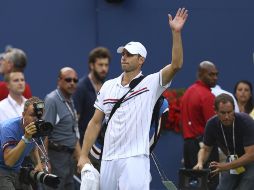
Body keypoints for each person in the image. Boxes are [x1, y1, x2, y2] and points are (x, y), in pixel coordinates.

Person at [77, 8, 188, 190]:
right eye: (123, 54)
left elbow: (176, 65)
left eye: (129, 54)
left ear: (141, 59)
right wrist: (83, 155)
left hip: (135, 159)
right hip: (108, 158)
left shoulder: (151, 83)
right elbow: (95, 123)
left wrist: (176, 33)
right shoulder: (108, 86)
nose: (124, 57)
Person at [194, 93, 254, 190]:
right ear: (216, 111)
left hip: (251, 161)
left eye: (229, 112)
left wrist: (226, 166)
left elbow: (251, 155)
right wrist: (200, 162)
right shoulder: (212, 124)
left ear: (234, 110)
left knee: (245, 187)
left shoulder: (246, 121)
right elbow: (206, 149)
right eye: (222, 113)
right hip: (232, 159)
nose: (226, 116)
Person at [181, 60, 219, 189]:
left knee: (191, 185)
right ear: (200, 74)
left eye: (216, 74)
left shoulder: (188, 92)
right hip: (203, 148)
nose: (215, 78)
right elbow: (214, 127)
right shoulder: (207, 96)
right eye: (211, 74)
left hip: (188, 146)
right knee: (209, 184)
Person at [43, 67, 81, 190]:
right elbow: (44, 134)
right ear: (59, 81)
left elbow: (72, 131)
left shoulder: (69, 99)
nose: (72, 83)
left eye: (75, 80)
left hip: (69, 159)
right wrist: (45, 160)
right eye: (68, 80)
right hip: (56, 158)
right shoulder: (52, 100)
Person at [0, 97, 43, 190]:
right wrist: (25, 138)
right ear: (23, 115)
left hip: (17, 169)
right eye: (32, 115)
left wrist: (38, 163)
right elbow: (9, 162)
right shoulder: (9, 128)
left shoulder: (37, 128)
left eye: (39, 116)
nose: (36, 119)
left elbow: (33, 145)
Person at [73, 47, 111, 146]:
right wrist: (79, 154)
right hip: (84, 147)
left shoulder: (108, 87)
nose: (104, 69)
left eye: (106, 65)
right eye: (100, 65)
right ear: (92, 65)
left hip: (102, 147)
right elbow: (74, 125)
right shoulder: (80, 88)